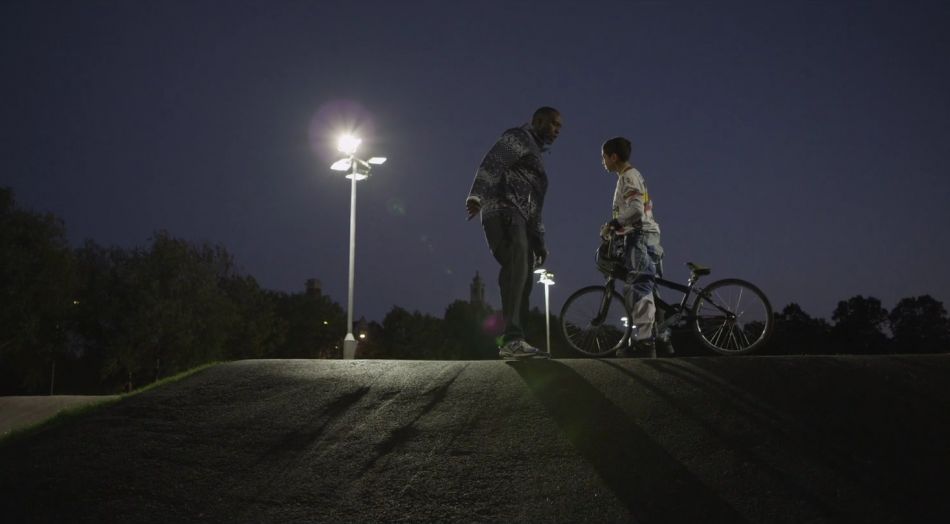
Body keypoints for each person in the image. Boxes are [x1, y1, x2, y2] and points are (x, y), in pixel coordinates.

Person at [466, 107, 562, 359]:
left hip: (521, 218)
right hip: (503, 211)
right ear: (537, 121)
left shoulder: (536, 156)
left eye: (559, 127)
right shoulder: (518, 137)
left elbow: (534, 206)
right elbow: (494, 161)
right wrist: (477, 194)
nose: (557, 130)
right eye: (553, 124)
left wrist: (540, 240)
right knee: (517, 269)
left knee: (523, 276)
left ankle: (516, 340)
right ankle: (512, 339)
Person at [599, 136, 674, 357]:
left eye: (603, 157)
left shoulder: (628, 177)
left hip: (640, 237)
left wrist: (614, 223)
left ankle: (644, 341)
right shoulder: (633, 175)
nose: (602, 161)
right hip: (648, 235)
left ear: (613, 157)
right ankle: (662, 337)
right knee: (652, 289)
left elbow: (636, 210)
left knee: (639, 285)